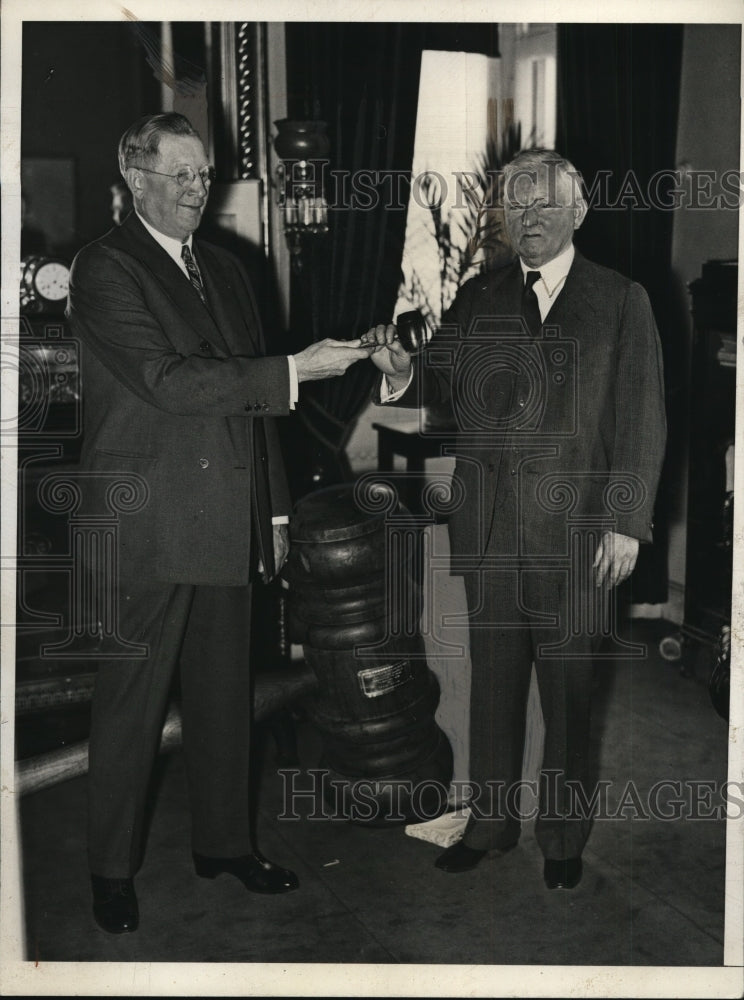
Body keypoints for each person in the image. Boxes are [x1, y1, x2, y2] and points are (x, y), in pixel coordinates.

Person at [66, 112, 372, 934]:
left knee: (222, 696)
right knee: (130, 705)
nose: (198, 190)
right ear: (135, 181)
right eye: (180, 175)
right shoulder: (104, 268)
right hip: (146, 524)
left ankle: (225, 845)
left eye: (205, 176)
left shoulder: (231, 272)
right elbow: (172, 381)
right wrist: (294, 368)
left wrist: (271, 509)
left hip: (228, 519)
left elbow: (256, 411)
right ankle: (110, 870)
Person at [364, 148, 666, 890]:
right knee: (494, 686)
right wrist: (400, 369)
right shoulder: (481, 294)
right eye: (515, 206)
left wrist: (626, 522)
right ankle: (491, 824)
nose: (528, 219)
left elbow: (642, 416)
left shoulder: (620, 299)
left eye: (543, 204)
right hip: (492, 526)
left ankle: (561, 840)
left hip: (580, 537)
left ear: (578, 210)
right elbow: (433, 376)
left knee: (567, 695)